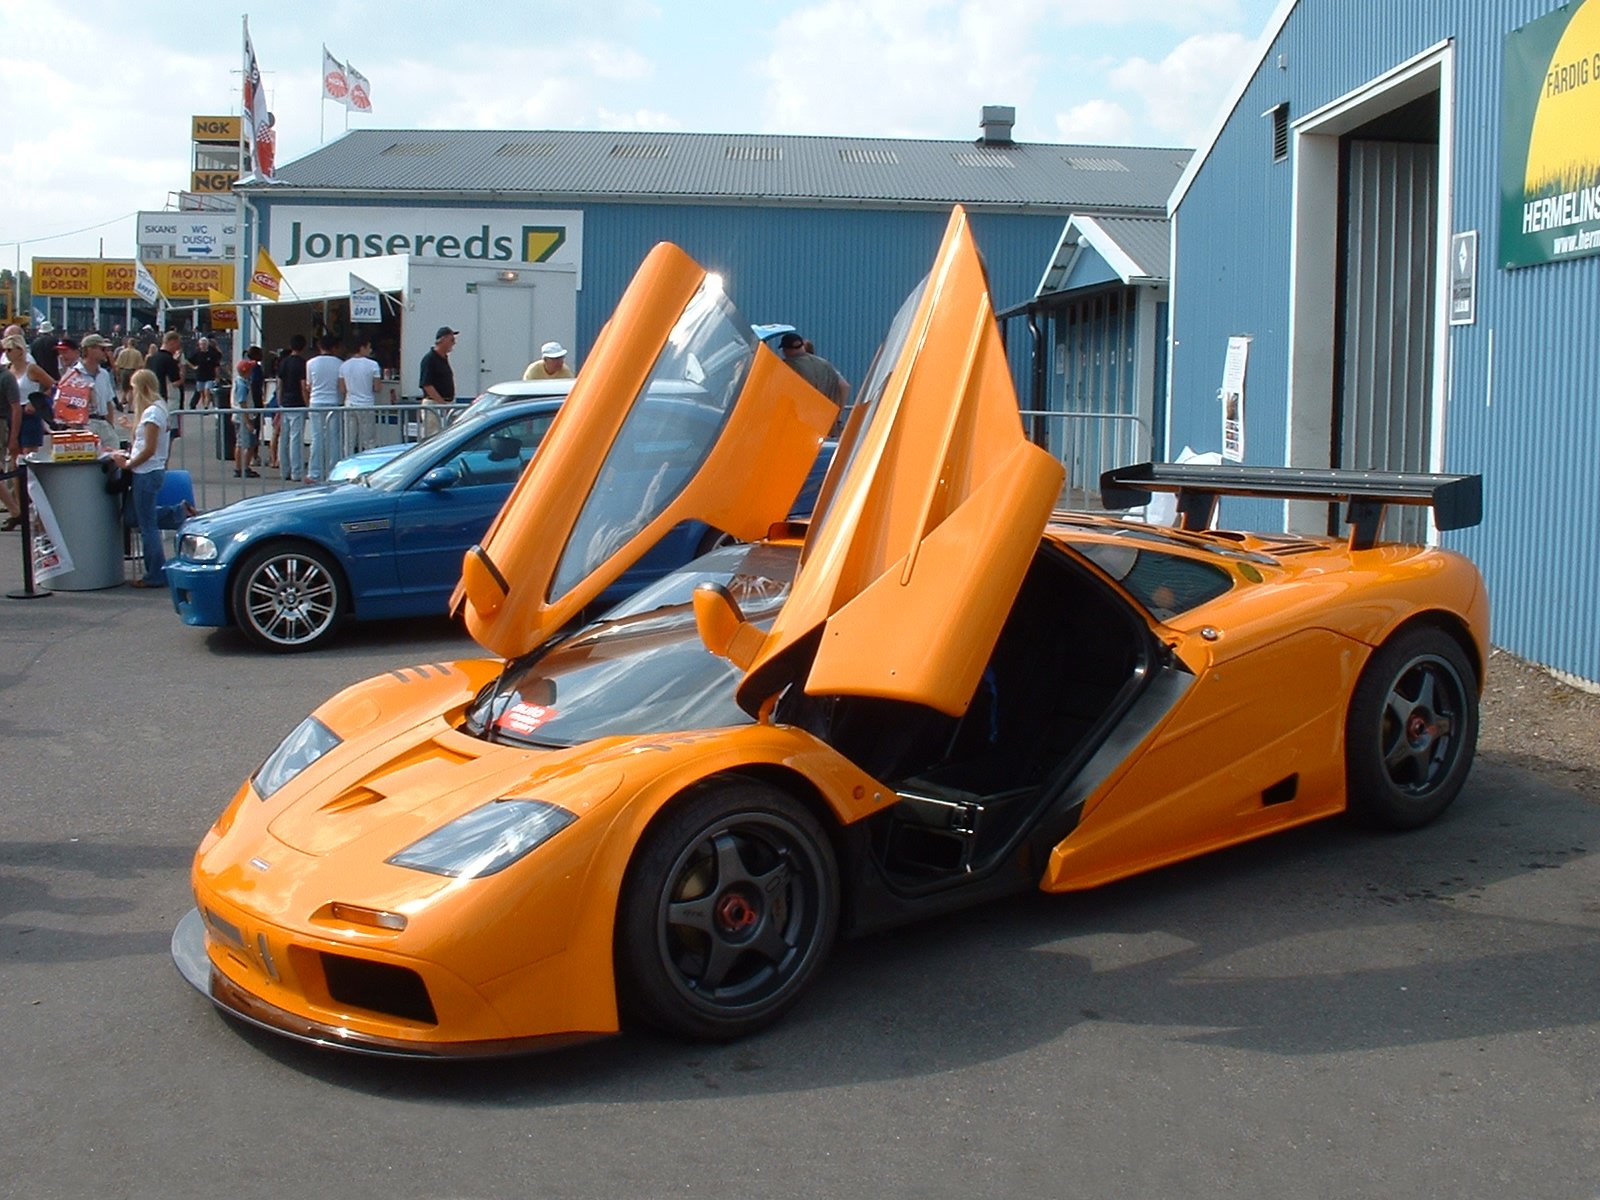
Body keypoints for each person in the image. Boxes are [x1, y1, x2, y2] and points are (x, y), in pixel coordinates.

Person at [109, 368, 194, 589]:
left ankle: (155, 573)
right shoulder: (157, 410)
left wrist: (127, 464)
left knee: (146, 525)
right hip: (149, 471)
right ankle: (177, 513)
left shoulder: (152, 413)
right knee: (138, 518)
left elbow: (148, 449)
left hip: (146, 472)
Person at [5, 333, 55, 461]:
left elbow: (53, 386)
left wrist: (36, 402)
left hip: (29, 414)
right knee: (13, 455)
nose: (7, 353)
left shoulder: (32, 369)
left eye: (10, 350)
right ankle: (16, 480)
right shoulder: (8, 369)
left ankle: (28, 480)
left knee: (28, 455)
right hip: (11, 413)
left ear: (20, 350)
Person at [304, 334, 344, 484]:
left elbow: (309, 385)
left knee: (317, 437)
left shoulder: (310, 363)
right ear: (335, 347)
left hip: (316, 401)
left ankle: (314, 472)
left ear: (320, 347)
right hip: (334, 402)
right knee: (334, 438)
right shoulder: (340, 363)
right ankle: (334, 471)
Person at [778, 331, 850, 403]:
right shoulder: (825, 364)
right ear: (802, 346)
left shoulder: (786, 366)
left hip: (799, 411)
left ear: (786, 349)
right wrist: (839, 411)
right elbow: (844, 386)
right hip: (826, 412)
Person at [339, 336, 382, 453]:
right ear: (362, 348)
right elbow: (377, 387)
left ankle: (347, 463)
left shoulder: (344, 365)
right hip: (367, 404)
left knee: (349, 440)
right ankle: (370, 466)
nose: (370, 350)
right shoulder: (373, 365)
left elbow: (342, 389)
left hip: (349, 405)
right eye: (369, 347)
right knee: (369, 440)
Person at [78, 333, 120, 448]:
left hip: (103, 422)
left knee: (115, 453)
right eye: (102, 349)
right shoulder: (75, 374)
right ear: (89, 350)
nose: (105, 352)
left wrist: (110, 425)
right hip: (85, 423)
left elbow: (108, 402)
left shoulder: (104, 374)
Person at [275, 334, 308, 481]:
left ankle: (284, 470)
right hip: (298, 403)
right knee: (296, 438)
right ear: (303, 347)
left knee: (284, 438)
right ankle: (296, 471)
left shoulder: (284, 362)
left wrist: (279, 401)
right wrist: (307, 403)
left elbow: (279, 384)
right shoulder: (302, 363)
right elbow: (303, 386)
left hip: (285, 403)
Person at [419, 325, 458, 435]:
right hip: (433, 404)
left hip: (444, 404)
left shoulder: (443, 358)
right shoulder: (430, 359)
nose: (454, 343)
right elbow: (427, 384)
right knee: (433, 436)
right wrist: (442, 404)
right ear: (443, 339)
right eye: (452, 340)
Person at [232, 346, 265, 478]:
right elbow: (242, 403)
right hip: (243, 417)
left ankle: (243, 467)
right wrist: (248, 422)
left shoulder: (242, 381)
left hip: (242, 416)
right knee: (245, 443)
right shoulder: (242, 385)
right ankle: (241, 467)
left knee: (247, 443)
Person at [188, 336, 222, 408]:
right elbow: (188, 361)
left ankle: (206, 406)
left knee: (207, 392)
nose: (203, 346)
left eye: (204, 344)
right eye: (201, 344)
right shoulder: (197, 354)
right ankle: (204, 405)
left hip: (210, 376)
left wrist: (217, 376)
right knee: (202, 393)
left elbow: (216, 365)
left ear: (207, 345)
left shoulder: (212, 354)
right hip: (200, 376)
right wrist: (193, 367)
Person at [113, 337, 144, 406]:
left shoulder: (122, 352)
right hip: (133, 371)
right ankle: (130, 407)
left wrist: (117, 375)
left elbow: (117, 364)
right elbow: (140, 365)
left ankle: (121, 402)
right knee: (131, 389)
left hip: (123, 371)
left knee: (124, 389)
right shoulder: (137, 353)